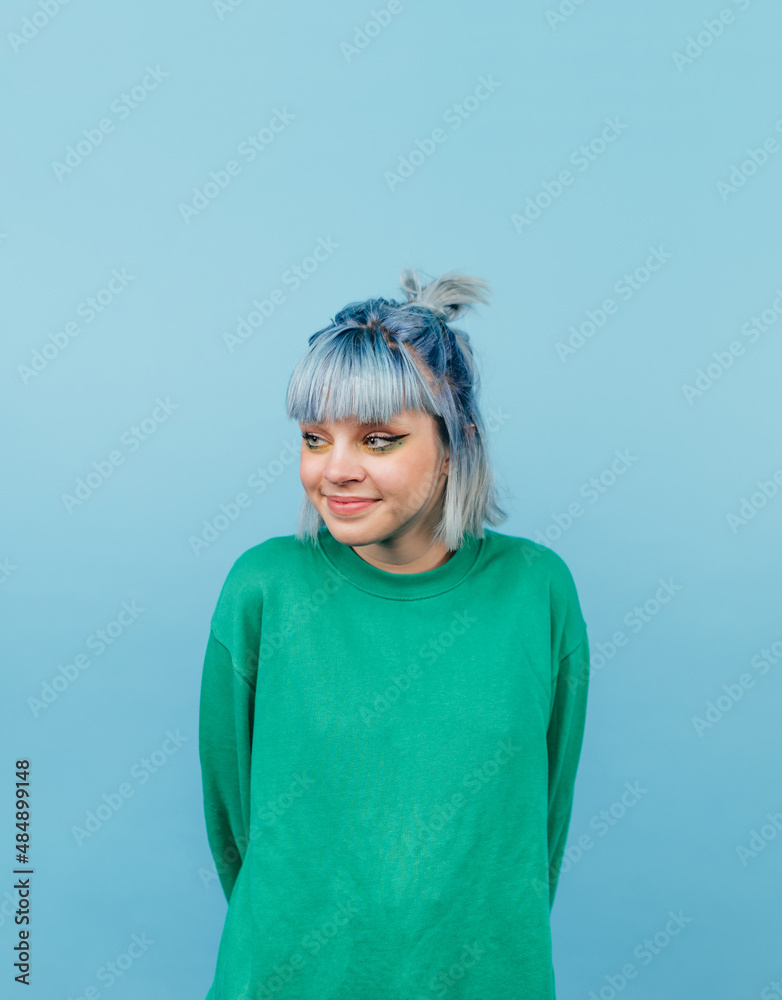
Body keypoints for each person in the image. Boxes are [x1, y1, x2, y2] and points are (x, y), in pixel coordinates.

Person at [198, 268, 591, 1000]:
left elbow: (542, 823)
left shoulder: (538, 591)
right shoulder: (264, 588)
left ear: (455, 441)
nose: (335, 470)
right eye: (316, 438)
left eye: (379, 439)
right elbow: (234, 825)